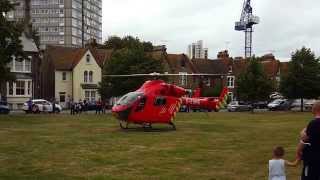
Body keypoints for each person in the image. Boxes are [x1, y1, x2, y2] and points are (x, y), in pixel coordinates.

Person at [298, 101, 320, 180]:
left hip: (313, 159)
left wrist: (299, 150)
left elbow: (304, 139)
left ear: (315, 109)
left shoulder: (314, 123)